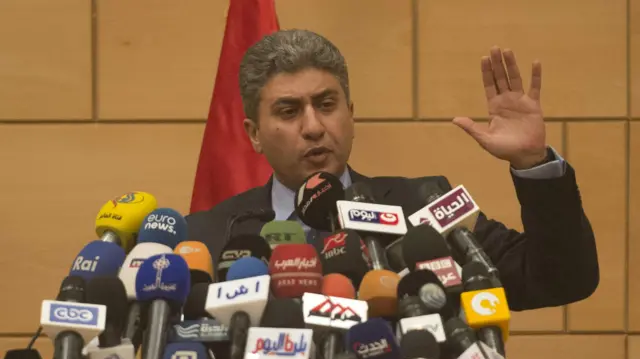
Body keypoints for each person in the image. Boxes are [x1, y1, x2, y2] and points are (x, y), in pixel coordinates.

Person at [186, 29, 599, 311]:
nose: (313, 127)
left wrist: (533, 163)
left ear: (351, 115)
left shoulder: (423, 208)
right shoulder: (209, 236)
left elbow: (562, 278)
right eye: (289, 111)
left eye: (327, 105)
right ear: (254, 134)